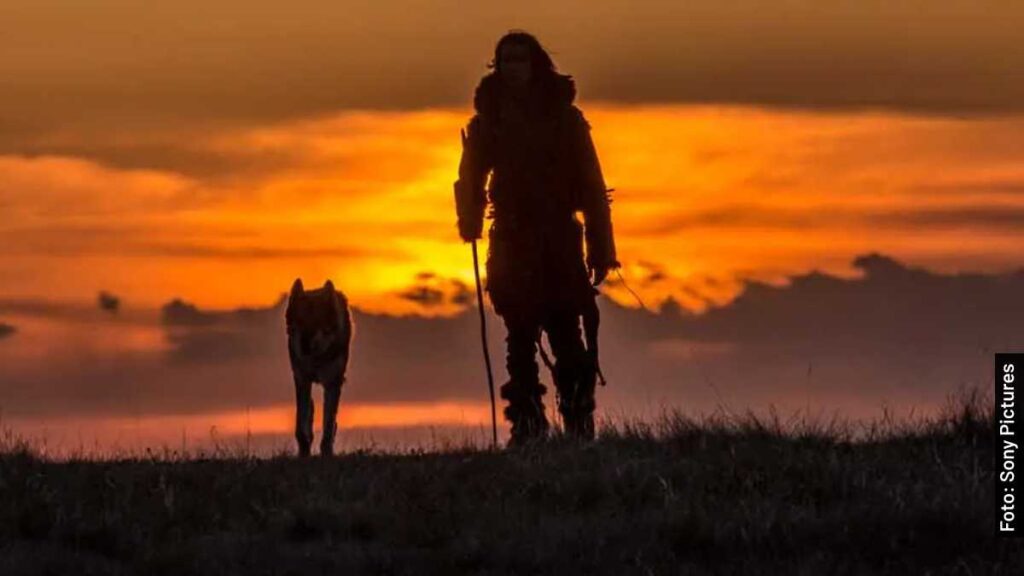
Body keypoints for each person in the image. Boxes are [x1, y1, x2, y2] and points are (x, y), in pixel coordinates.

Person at [453, 30, 620, 446]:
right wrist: (469, 220)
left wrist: (602, 249)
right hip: (511, 239)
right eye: (506, 61)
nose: (513, 69)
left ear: (536, 64)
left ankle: (579, 427)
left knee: (567, 336)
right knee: (520, 337)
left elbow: (592, 183)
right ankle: (528, 430)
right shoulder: (488, 121)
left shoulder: (566, 119)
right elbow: (470, 177)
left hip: (560, 239)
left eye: (520, 60)